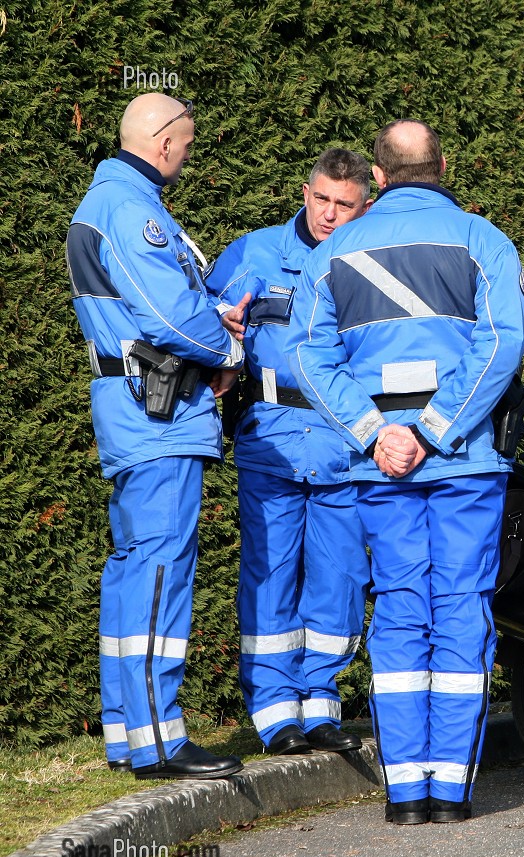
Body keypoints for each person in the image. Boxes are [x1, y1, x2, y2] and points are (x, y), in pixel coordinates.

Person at [290, 120, 524, 825]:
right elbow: (502, 344)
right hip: (463, 460)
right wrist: (434, 428)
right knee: (460, 609)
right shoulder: (484, 242)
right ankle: (450, 790)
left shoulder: (332, 252)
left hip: (380, 466)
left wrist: (376, 432)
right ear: (443, 167)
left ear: (379, 176)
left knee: (397, 610)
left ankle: (404, 796)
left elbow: (308, 356)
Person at [66, 93, 249, 780]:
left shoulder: (112, 199)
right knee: (159, 569)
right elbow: (172, 316)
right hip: (158, 413)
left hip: (138, 406)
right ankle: (158, 740)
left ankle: (127, 730)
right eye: (188, 143)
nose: (188, 154)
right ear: (164, 141)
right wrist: (228, 349)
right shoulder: (132, 208)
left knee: (133, 565)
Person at [205, 149, 374, 757]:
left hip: (346, 445)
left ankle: (321, 701)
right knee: (270, 572)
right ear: (305, 193)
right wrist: (224, 345)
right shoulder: (255, 253)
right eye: (321, 199)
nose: (329, 214)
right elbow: (201, 324)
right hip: (272, 438)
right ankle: (276, 713)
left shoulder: (371, 263)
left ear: (366, 205)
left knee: (341, 575)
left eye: (344, 204)